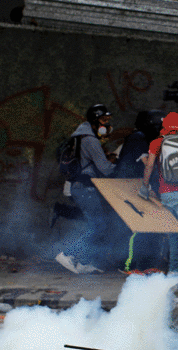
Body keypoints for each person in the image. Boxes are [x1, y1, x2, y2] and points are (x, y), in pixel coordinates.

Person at [141, 112, 178, 275]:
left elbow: (150, 167)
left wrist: (144, 187)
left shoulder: (156, 143)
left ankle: (174, 271)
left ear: (164, 127)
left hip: (166, 195)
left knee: (175, 235)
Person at [61, 103, 119, 269]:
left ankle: (83, 262)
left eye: (108, 120)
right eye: (103, 120)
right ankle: (68, 254)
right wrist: (118, 163)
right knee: (98, 225)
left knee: (95, 225)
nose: (106, 124)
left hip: (79, 187)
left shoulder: (79, 137)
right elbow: (106, 169)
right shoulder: (91, 140)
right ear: (94, 121)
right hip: (85, 187)